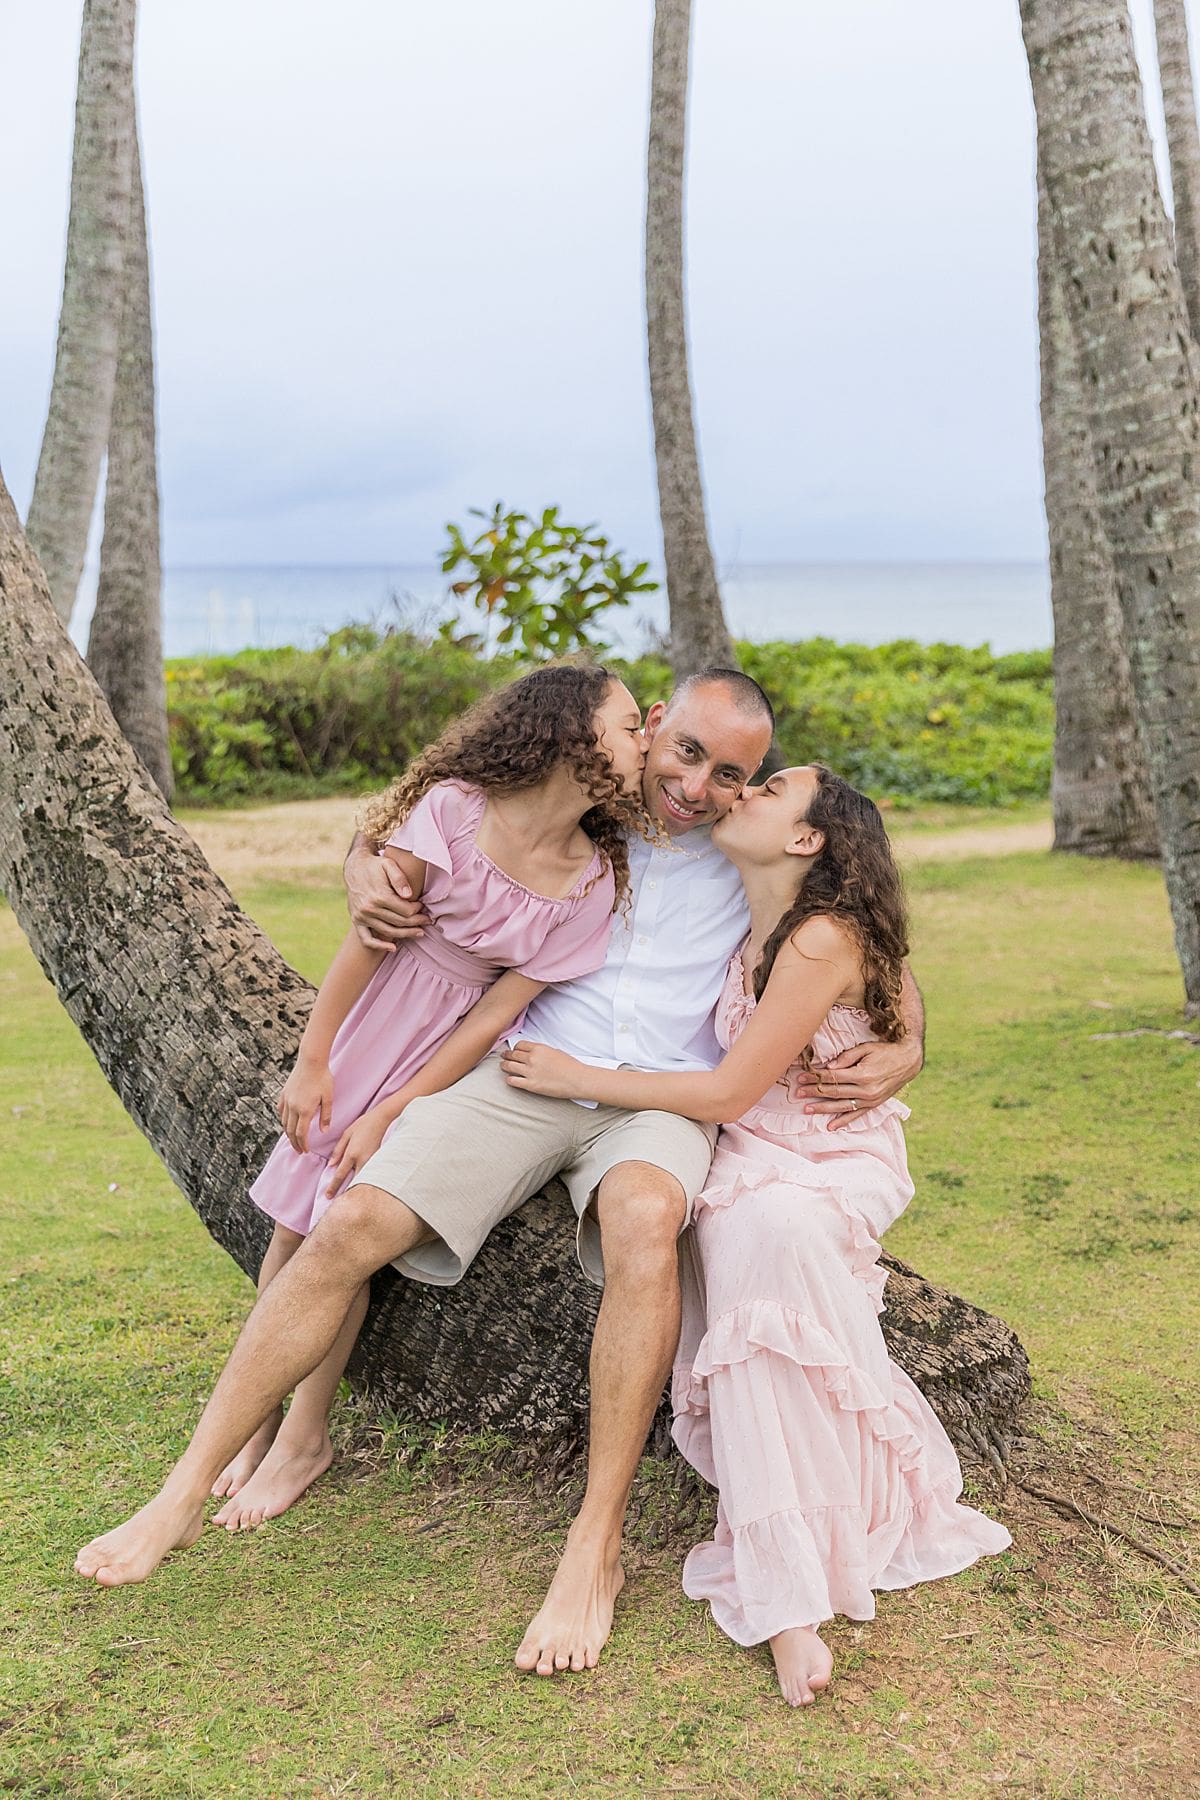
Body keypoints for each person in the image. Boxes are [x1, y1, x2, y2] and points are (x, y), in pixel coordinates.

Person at [75, 673, 924, 1686]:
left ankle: (594, 1543)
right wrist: (360, 864)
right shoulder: (589, 798)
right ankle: (182, 1491)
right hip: (521, 1071)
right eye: (688, 753)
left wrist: (909, 1041)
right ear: (653, 727)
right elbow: (430, 812)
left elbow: (860, 929)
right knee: (353, 1223)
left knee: (647, 1219)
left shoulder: (742, 844)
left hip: (661, 1100)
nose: (699, 788)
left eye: (733, 774)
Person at [500, 764, 1011, 1706]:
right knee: (736, 1251)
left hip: (824, 1150)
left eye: (769, 790)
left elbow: (737, 1084)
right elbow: (885, 975)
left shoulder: (818, 935)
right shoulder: (756, 910)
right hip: (749, 1146)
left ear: (807, 840)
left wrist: (577, 1076)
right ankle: (788, 1579)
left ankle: (783, 1597)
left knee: (770, 1237)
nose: (739, 796)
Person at [206, 663, 646, 1531]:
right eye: (630, 724)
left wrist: (391, 1110)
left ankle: (304, 1434)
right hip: (370, 1025)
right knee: (290, 1228)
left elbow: (494, 1017)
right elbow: (365, 942)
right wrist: (314, 1062)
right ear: (573, 732)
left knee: (341, 1230)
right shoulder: (454, 809)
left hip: (442, 1059)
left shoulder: (593, 879)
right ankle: (250, 1426)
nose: (643, 739)